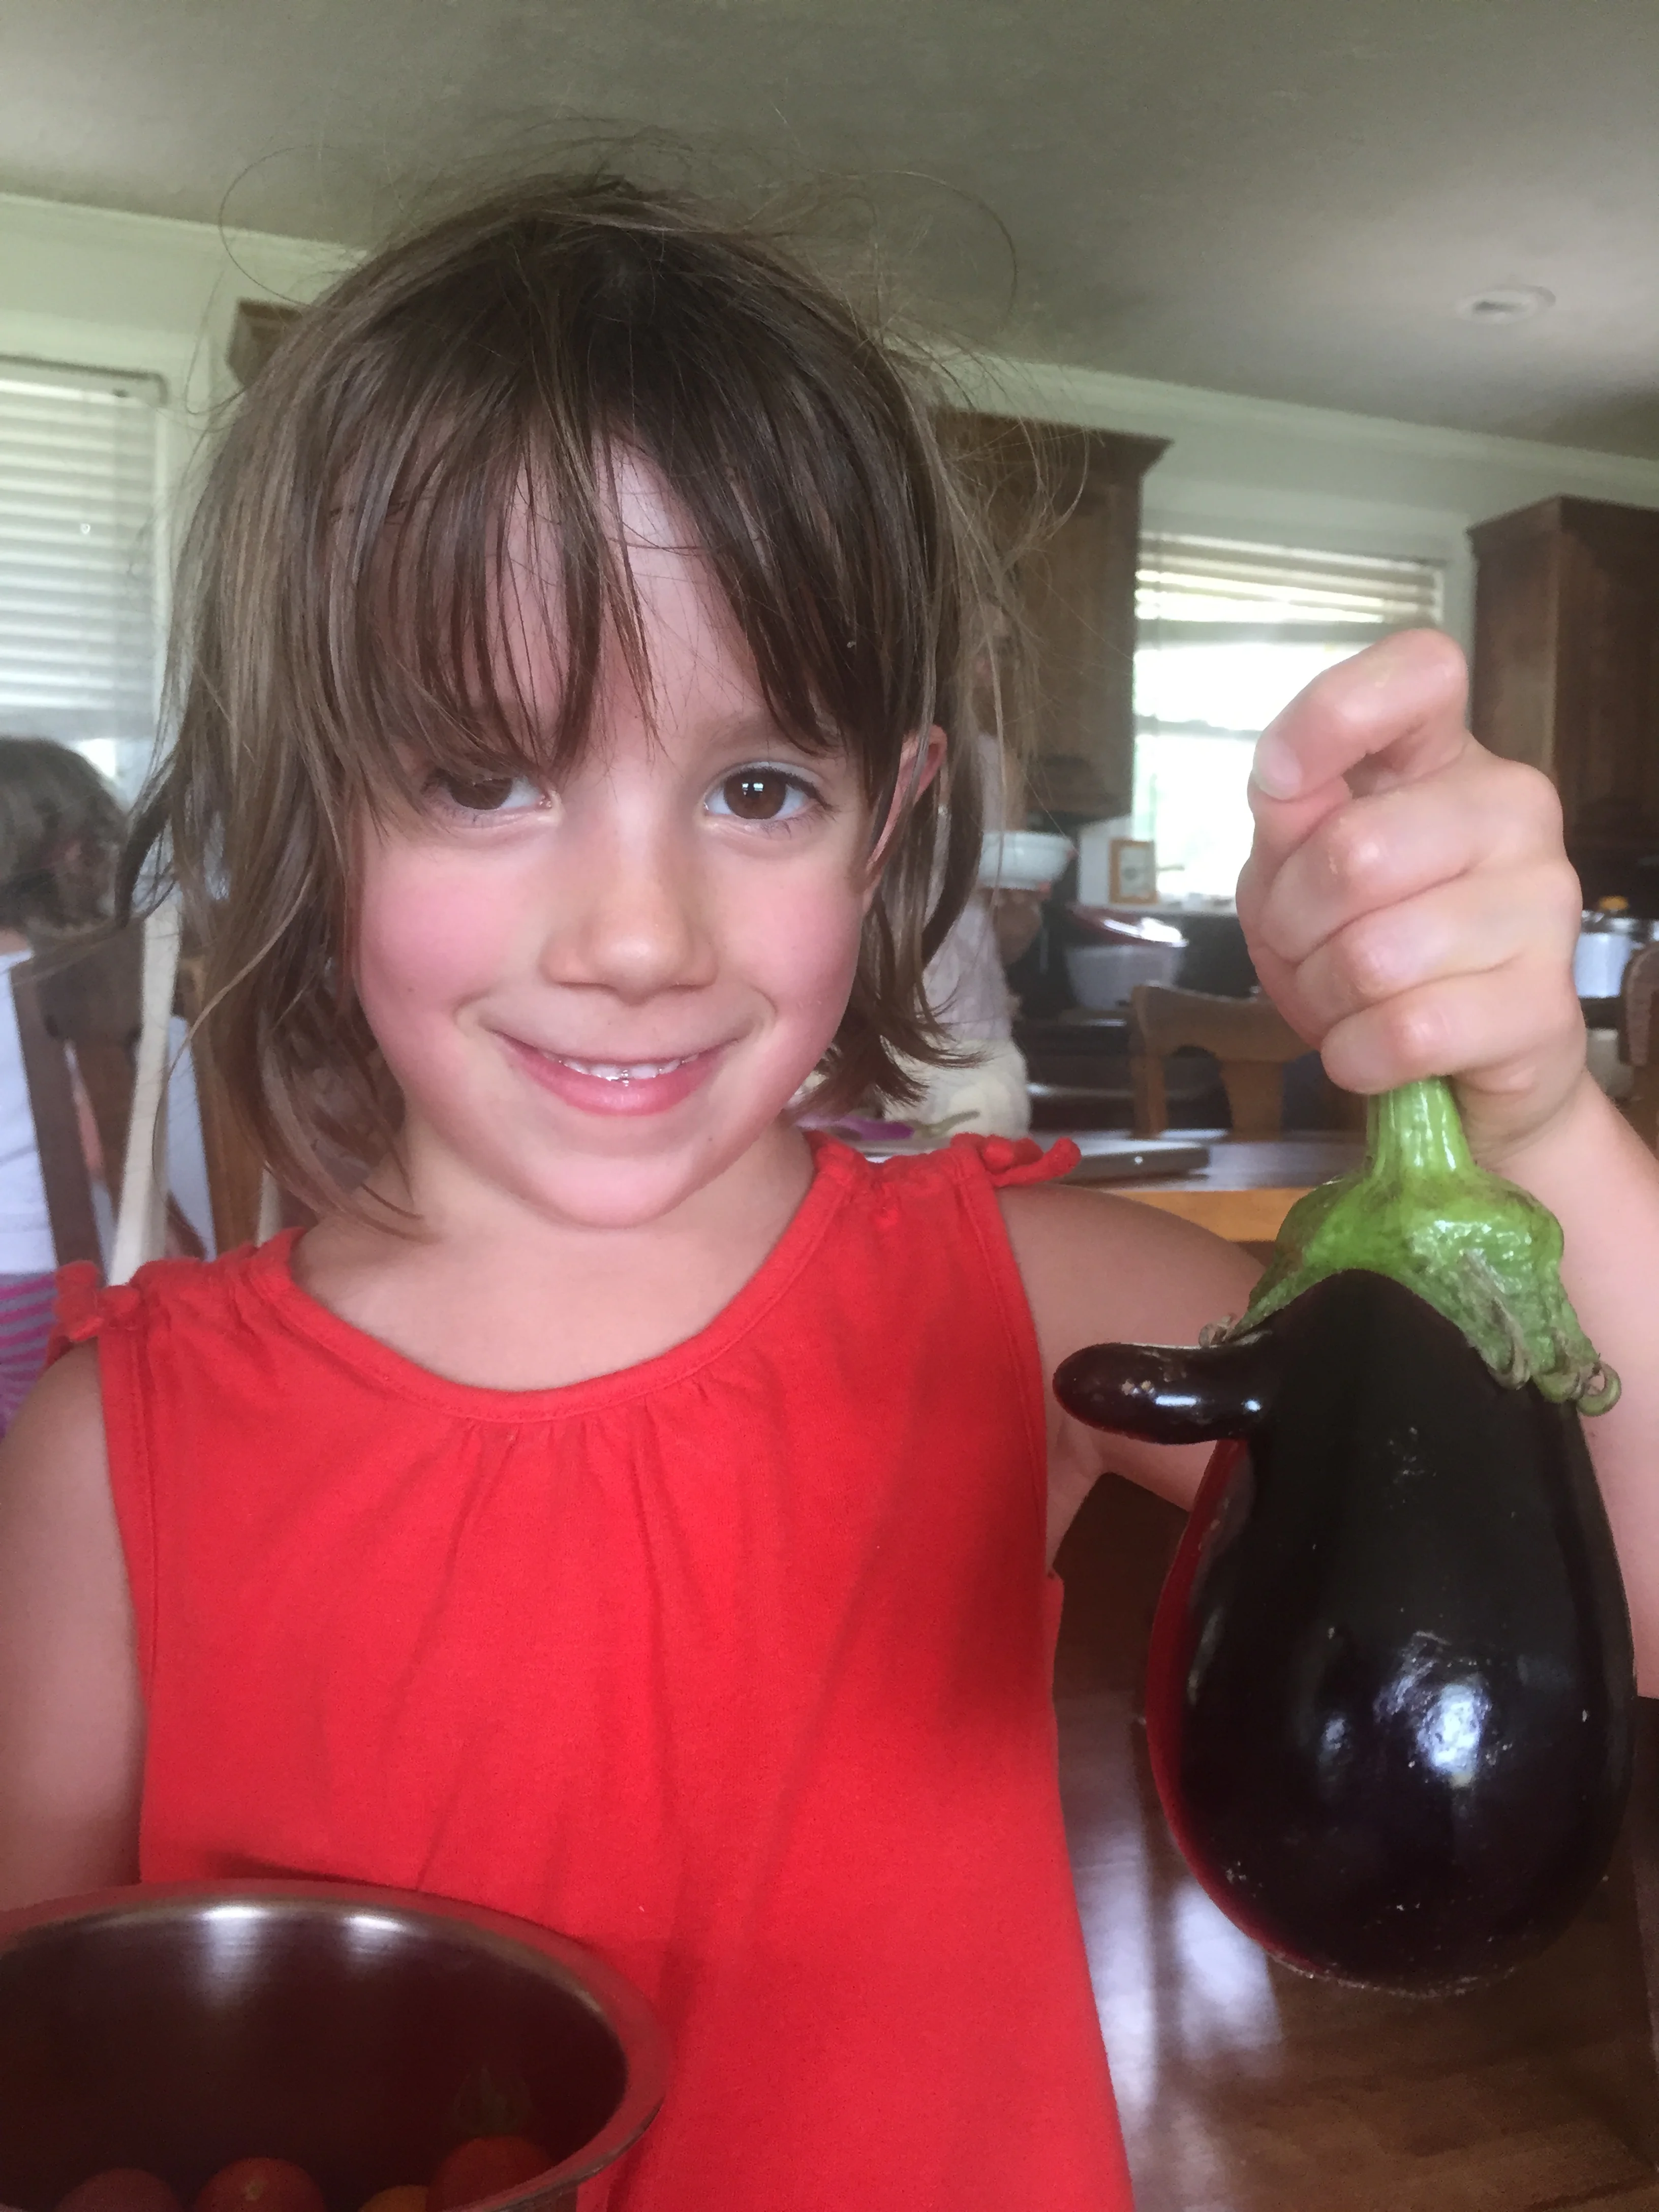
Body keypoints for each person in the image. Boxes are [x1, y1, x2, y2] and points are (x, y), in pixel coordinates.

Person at [3, 173, 1659, 2212]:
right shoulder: (111, 1453)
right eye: (481, 774)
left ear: (889, 827)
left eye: (758, 786)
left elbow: (1627, 1576)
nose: (637, 934)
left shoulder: (1030, 1307)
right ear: (306, 798)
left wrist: (1533, 1118)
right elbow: (54, 2076)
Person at [0, 737, 124, 1428]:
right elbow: (94, 1149)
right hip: (33, 1268)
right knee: (45, 1440)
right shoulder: (66, 977)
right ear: (64, 849)